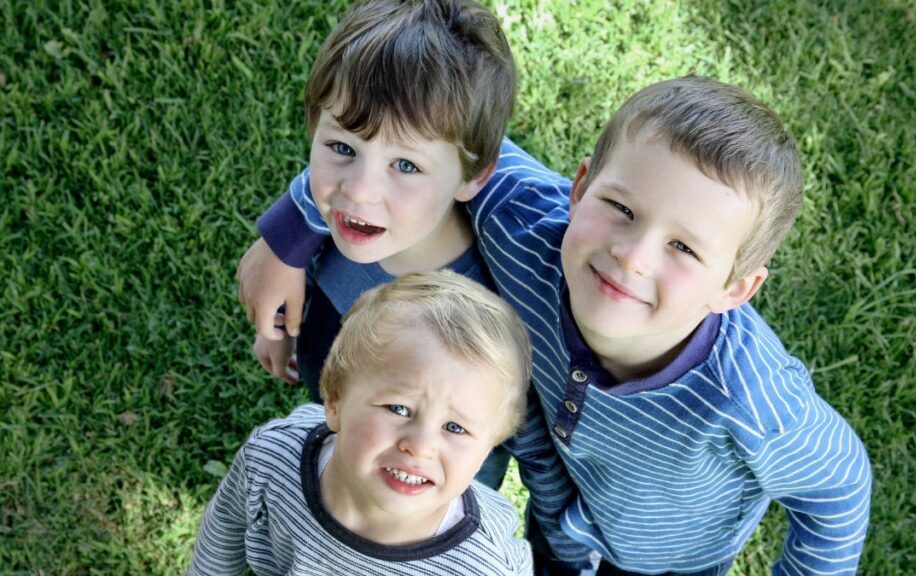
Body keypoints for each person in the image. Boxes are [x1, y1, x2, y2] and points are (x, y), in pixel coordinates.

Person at [243, 76, 873, 574]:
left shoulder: (751, 396)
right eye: (620, 207)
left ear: (736, 288)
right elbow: (420, 138)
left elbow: (839, 488)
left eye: (685, 248)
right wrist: (287, 237)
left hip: (666, 559)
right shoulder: (524, 218)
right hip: (555, 519)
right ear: (578, 188)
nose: (633, 254)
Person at [236, 0, 517, 490]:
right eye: (342, 148)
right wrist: (279, 326)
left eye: (406, 166)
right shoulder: (343, 224)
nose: (358, 191)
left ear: (473, 176)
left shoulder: (487, 310)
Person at [190, 271, 534, 575]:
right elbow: (224, 532)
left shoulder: (484, 565)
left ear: (491, 444)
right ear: (335, 401)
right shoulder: (271, 457)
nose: (420, 445)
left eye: (456, 428)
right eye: (398, 408)